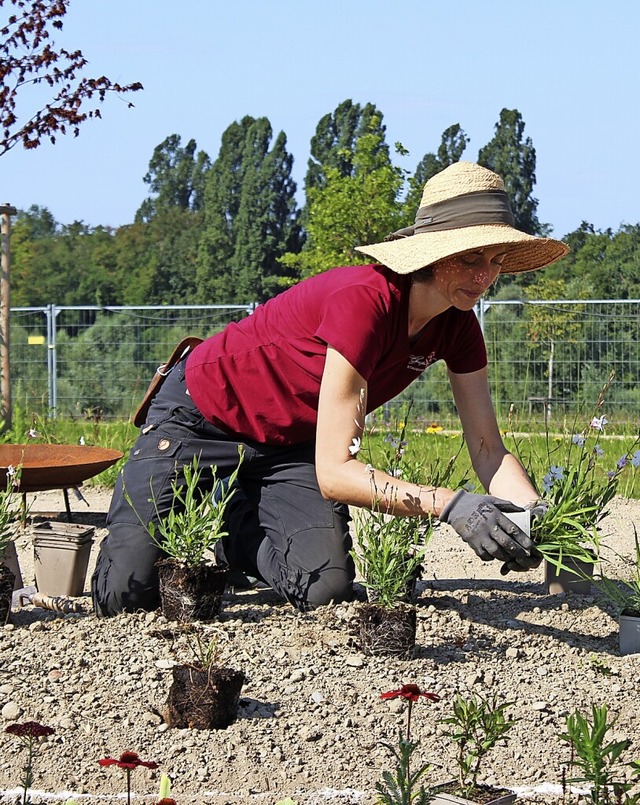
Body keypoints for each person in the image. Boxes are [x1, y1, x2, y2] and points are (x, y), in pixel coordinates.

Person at [91, 161, 569, 617]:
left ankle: (234, 529)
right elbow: (337, 473)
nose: (484, 276)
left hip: (291, 445)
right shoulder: (366, 302)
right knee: (126, 596)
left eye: (496, 260)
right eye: (469, 258)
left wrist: (535, 517)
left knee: (324, 588)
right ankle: (165, 528)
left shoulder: (459, 328)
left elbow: (487, 448)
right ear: (436, 252)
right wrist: (455, 506)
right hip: (202, 417)